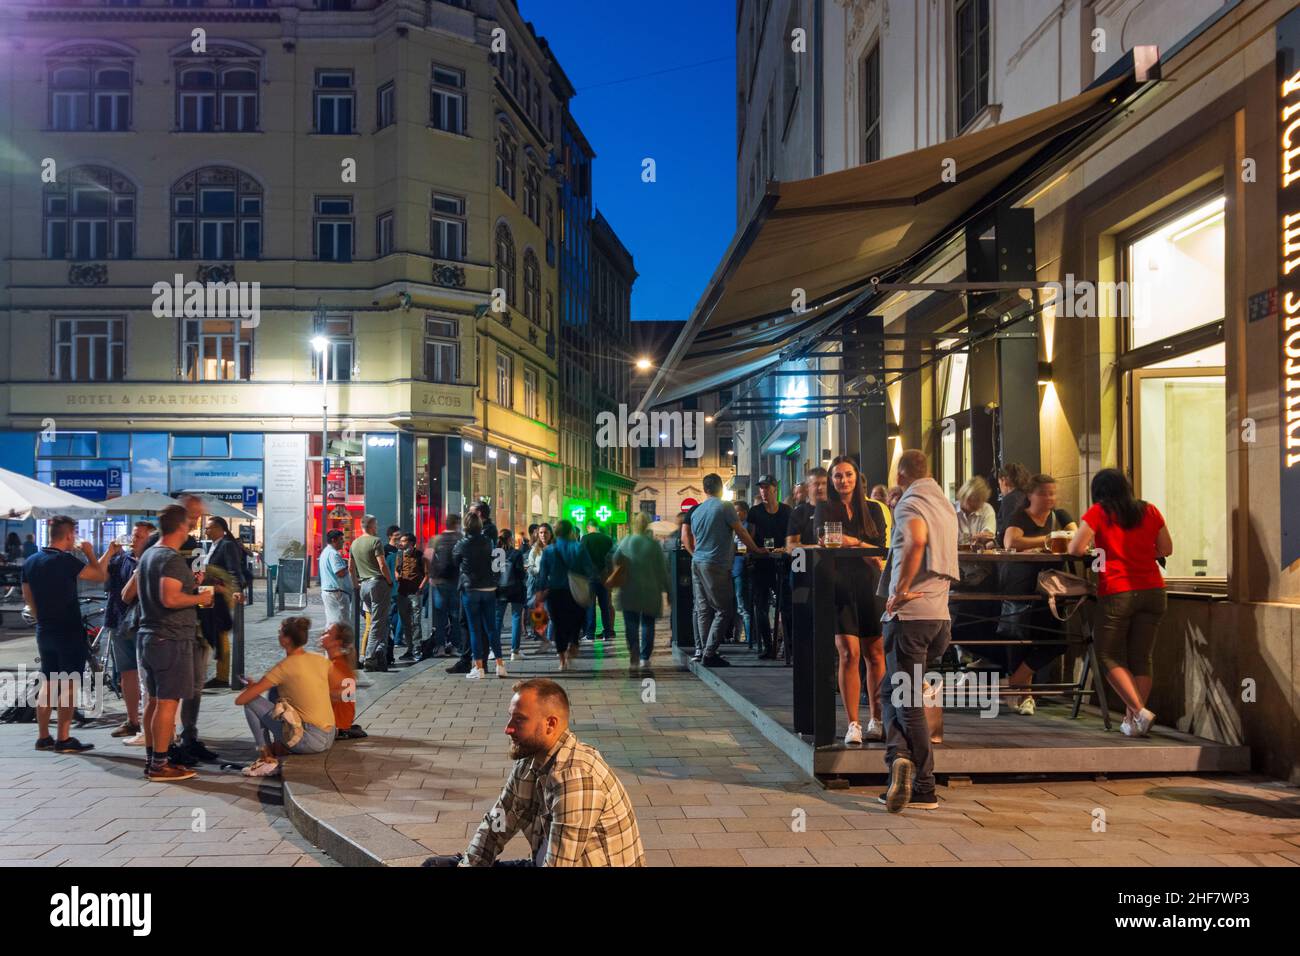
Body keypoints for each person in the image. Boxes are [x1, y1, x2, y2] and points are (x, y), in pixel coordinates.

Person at [423, 679, 644, 867]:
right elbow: (496, 825)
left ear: (550, 724)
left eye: (519, 719)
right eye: (510, 717)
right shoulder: (530, 761)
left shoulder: (575, 779)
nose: (508, 728)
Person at [879, 449, 959, 812]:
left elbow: (915, 540)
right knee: (889, 692)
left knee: (908, 702)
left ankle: (924, 784)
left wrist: (900, 589)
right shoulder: (942, 502)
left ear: (901, 473)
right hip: (939, 617)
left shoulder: (910, 503)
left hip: (911, 617)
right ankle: (899, 758)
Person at [1068, 468, 1172, 737]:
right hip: (1153, 590)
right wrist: (1142, 552)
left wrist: (1100, 552)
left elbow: (1075, 549)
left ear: (1098, 492)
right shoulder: (1149, 510)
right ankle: (1134, 722)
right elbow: (1166, 548)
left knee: (1106, 654)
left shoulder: (1099, 512)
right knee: (1141, 657)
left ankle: (1138, 711)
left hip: (1117, 590)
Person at [131, 504, 214, 782]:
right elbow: (170, 598)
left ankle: (153, 759)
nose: (192, 524)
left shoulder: (148, 555)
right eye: (190, 520)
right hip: (170, 638)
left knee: (154, 702)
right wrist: (199, 598)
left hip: (148, 635)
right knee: (167, 703)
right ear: (182, 526)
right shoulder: (170, 558)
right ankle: (160, 766)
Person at [21, 515, 116, 754]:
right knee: (69, 684)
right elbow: (99, 575)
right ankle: (63, 738)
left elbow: (27, 597)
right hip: (69, 630)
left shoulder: (31, 561)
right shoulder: (66, 561)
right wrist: (90, 551)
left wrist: (41, 617)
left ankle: (43, 737)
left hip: (45, 630)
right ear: (69, 535)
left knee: (49, 682)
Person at [814, 456, 889, 745]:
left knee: (875, 654)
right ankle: (853, 723)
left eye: (847, 475)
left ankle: (877, 718)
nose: (842, 480)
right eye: (837, 476)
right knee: (848, 654)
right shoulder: (824, 508)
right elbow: (824, 539)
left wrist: (852, 541)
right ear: (831, 481)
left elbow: (880, 549)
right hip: (839, 586)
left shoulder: (873, 509)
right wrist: (861, 545)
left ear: (857, 478)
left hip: (871, 587)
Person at [1000, 473, 1078, 715]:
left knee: (1056, 641)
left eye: (1052, 493)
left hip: (1053, 588)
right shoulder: (1019, 516)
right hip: (1021, 584)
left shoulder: (1061, 516)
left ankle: (1013, 683)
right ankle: (1026, 697)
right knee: (1020, 638)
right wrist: (1047, 539)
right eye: (1043, 493)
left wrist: (1043, 540)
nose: (1049, 498)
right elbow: (1011, 541)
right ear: (1030, 495)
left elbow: (1075, 537)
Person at [234, 616, 335, 777]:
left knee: (251, 701)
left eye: (280, 632)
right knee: (276, 693)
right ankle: (279, 747)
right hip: (329, 735)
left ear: (286, 640)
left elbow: (241, 700)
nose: (278, 635)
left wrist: (251, 689)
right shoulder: (320, 660)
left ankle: (266, 760)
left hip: (308, 741)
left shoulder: (284, 667)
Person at [682, 473, 764, 667]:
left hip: (697, 563)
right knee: (724, 610)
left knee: (703, 609)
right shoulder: (725, 506)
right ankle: (710, 653)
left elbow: (690, 537)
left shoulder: (697, 511)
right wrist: (756, 549)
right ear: (721, 488)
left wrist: (696, 554)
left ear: (705, 490)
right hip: (716, 564)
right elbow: (741, 531)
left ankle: (703, 650)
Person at [103, 520, 154, 738]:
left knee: (146, 676)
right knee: (127, 673)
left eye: (139, 536)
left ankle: (149, 724)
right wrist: (109, 551)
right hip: (119, 621)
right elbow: (101, 576)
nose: (133, 540)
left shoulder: (152, 562)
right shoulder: (120, 560)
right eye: (133, 535)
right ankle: (132, 719)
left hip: (142, 624)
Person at [611, 512, 670, 673]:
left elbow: (615, 560)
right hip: (650, 591)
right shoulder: (653, 545)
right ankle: (645, 658)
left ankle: (634, 655)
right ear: (647, 525)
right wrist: (669, 591)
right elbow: (662, 571)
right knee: (647, 624)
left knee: (631, 624)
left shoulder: (626, 541)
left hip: (629, 590)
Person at [536, 520, 594, 670]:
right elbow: (589, 569)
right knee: (576, 622)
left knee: (559, 625)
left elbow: (543, 575)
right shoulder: (579, 547)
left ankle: (562, 661)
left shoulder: (549, 551)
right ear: (571, 532)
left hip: (555, 593)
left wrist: (540, 591)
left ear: (556, 533)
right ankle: (573, 643)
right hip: (576, 592)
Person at [748, 475, 793, 660]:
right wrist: (754, 550)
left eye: (766, 488)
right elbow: (749, 536)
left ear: (775, 489)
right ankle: (768, 646)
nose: (763, 491)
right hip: (761, 562)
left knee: (786, 605)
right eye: (761, 488)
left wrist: (786, 547)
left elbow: (792, 534)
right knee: (761, 606)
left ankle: (788, 646)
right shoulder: (755, 511)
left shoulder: (787, 511)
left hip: (782, 562)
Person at [454, 512, 504, 679]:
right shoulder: (488, 541)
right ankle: (500, 665)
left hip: (471, 589)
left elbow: (455, 562)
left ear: (466, 525)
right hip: (488, 589)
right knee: (492, 628)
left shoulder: (461, 543)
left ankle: (479, 668)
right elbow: (497, 562)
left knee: (475, 629)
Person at [201, 515, 247, 688]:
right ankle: (209, 671)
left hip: (219, 593)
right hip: (206, 591)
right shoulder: (212, 545)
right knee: (205, 628)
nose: (206, 530)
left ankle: (222, 676)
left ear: (221, 529)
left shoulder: (226, 545)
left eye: (210, 527)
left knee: (219, 631)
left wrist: (235, 590)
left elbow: (233, 569)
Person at [349, 515, 392, 672]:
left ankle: (380, 653)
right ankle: (369, 657)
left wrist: (356, 586)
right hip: (377, 583)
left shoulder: (354, 543)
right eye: (376, 525)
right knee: (377, 622)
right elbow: (382, 564)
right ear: (372, 526)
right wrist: (389, 581)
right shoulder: (376, 541)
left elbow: (350, 568)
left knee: (377, 621)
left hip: (364, 585)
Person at [431, 515, 467, 667]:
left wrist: (431, 575)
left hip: (438, 582)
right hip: (455, 581)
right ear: (457, 524)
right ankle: (454, 645)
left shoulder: (436, 539)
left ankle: (439, 646)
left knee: (439, 616)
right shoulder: (460, 538)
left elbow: (427, 557)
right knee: (455, 615)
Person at [321, 622, 366, 740]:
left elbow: (336, 696)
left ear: (337, 642)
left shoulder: (336, 666)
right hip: (342, 724)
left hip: (335, 726)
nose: (322, 634)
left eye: (327, 633)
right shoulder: (342, 664)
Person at [580, 522, 616, 644]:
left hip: (590, 577)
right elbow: (612, 557)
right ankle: (607, 633)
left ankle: (590, 635)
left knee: (590, 606)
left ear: (588, 527)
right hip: (604, 576)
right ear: (598, 526)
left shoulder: (585, 539)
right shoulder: (607, 539)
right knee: (604, 606)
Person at [393, 532, 427, 661]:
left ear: (411, 543)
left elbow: (426, 574)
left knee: (416, 622)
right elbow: (397, 569)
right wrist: (397, 575)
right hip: (402, 592)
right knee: (406, 622)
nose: (401, 543)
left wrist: (420, 589)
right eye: (400, 541)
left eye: (404, 541)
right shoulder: (399, 555)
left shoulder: (420, 556)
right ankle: (409, 649)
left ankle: (417, 649)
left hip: (415, 593)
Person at [496, 529, 528, 662]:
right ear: (510, 539)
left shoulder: (496, 553)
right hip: (515, 589)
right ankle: (514, 651)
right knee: (516, 618)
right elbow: (520, 574)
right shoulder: (516, 553)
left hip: (500, 589)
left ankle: (495, 650)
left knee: (497, 619)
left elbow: (494, 573)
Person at [730, 501, 754, 647]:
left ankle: (749, 638)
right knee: (735, 604)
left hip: (740, 567)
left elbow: (745, 548)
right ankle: (737, 636)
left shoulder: (747, 527)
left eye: (737, 511)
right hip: (732, 567)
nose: (735, 514)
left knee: (742, 604)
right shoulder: (733, 527)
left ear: (745, 512)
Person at [786, 467, 828, 549]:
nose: (820, 487)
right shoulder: (799, 512)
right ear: (807, 487)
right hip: (808, 559)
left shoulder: (837, 508)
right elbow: (790, 546)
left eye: (824, 483)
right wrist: (814, 547)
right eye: (816, 484)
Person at [319, 529, 352, 630]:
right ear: (334, 540)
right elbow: (340, 572)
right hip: (336, 593)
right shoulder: (333, 554)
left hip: (330, 592)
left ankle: (331, 642)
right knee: (340, 624)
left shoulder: (326, 552)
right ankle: (337, 643)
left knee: (333, 622)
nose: (343, 542)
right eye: (341, 539)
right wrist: (348, 566)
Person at [954, 476, 997, 546]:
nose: (975, 504)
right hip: (954, 555)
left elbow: (989, 535)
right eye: (971, 500)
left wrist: (983, 537)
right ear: (964, 495)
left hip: (978, 555)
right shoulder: (951, 509)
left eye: (979, 501)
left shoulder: (987, 509)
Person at [995, 462, 1031, 539]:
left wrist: (991, 542)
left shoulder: (1009, 500)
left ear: (1004, 480)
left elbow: (1006, 532)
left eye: (999, 483)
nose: (1000, 489)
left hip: (1015, 547)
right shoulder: (1030, 496)